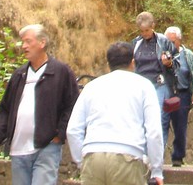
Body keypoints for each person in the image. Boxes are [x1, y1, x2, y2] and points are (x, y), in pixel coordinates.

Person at [0, 24, 79, 185]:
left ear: (42, 43)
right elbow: (5, 109)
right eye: (23, 42)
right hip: (18, 149)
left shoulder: (60, 72)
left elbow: (72, 105)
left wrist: (59, 134)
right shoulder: (19, 75)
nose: (24, 46)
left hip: (47, 147)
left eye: (28, 41)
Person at [66, 41, 164, 185]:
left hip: (93, 155)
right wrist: (156, 170)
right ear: (133, 62)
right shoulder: (144, 86)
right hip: (128, 156)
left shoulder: (91, 87)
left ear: (108, 64)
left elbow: (73, 130)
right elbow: (154, 131)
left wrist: (82, 161)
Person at [160, 25, 193, 168]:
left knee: (180, 127)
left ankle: (178, 157)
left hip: (181, 94)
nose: (170, 44)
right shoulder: (161, 54)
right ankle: (158, 155)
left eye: (173, 41)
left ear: (179, 40)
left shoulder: (187, 55)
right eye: (167, 41)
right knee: (161, 125)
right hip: (165, 93)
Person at [133, 12, 173, 109]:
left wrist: (169, 64)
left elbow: (176, 63)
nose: (144, 34)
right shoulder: (136, 42)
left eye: (147, 30)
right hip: (140, 84)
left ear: (153, 26)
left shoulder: (163, 41)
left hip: (158, 83)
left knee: (158, 113)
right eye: (141, 31)